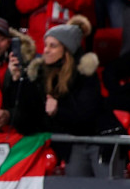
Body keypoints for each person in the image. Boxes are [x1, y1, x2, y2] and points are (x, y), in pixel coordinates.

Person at [13, 16, 107, 177]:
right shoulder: (40, 75)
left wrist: (58, 110)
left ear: (66, 51)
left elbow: (87, 118)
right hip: (71, 144)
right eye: (46, 45)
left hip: (101, 141)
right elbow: (25, 122)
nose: (46, 50)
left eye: (53, 46)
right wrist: (18, 81)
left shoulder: (85, 75)